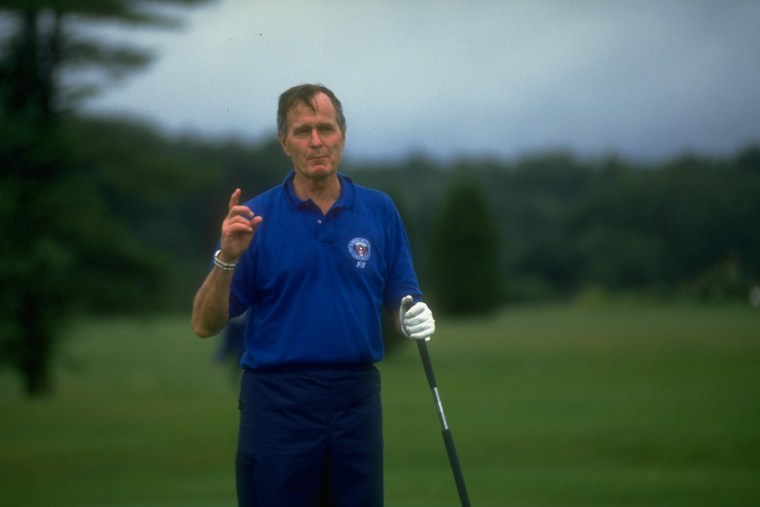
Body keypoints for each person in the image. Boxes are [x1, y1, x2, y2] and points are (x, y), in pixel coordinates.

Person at [191, 83, 436, 507]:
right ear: (284, 143)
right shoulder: (255, 219)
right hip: (277, 402)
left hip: (355, 398)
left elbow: (402, 296)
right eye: (303, 131)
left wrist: (411, 316)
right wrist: (227, 258)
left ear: (343, 133)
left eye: (326, 128)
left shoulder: (379, 211)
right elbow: (204, 324)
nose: (316, 141)